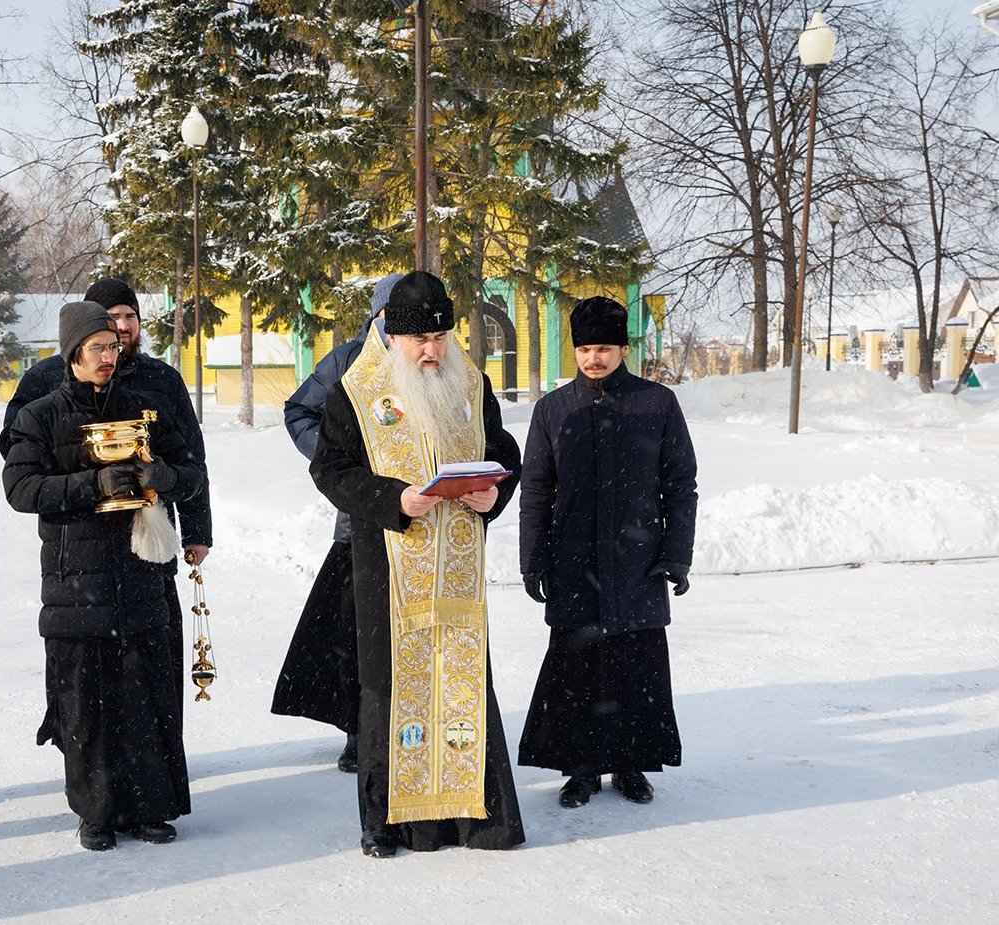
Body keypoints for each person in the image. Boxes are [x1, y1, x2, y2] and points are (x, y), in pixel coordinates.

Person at [310, 271, 524, 858]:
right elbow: (330, 471)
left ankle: (473, 818)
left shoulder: (471, 384)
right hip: (388, 567)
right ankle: (384, 822)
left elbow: (502, 450)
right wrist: (393, 500)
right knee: (387, 689)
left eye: (440, 338)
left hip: (455, 565)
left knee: (461, 685)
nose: (431, 352)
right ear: (394, 337)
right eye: (419, 342)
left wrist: (494, 495)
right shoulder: (355, 392)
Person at [3, 301, 204, 852]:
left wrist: (163, 475)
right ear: (73, 353)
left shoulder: (146, 409)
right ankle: (96, 810)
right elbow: (21, 491)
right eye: (98, 348)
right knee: (84, 699)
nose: (109, 357)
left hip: (141, 570)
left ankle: (149, 806)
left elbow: (191, 472)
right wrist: (94, 486)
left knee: (145, 692)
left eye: (114, 347)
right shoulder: (39, 415)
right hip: (76, 578)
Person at [517, 295, 697, 808]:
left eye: (604, 348)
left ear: (624, 348)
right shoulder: (554, 410)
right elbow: (535, 490)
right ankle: (580, 769)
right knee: (577, 668)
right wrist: (534, 559)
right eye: (585, 349)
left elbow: (681, 484)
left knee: (635, 668)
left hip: (636, 560)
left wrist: (676, 553)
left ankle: (630, 764)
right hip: (574, 559)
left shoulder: (656, 403)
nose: (594, 358)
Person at [272, 272, 404, 774]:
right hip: (358, 523)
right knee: (357, 632)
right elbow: (298, 411)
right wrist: (337, 461)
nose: (398, 326)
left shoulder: (435, 358)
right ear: (376, 316)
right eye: (390, 314)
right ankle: (360, 729)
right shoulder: (348, 360)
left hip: (421, 523)